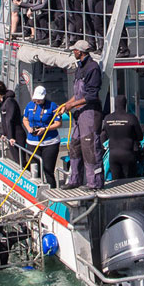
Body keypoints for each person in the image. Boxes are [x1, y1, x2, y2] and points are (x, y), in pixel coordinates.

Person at [55, 39, 104, 189]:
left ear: (80, 52)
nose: (73, 52)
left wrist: (72, 105)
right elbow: (78, 95)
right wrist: (65, 105)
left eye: (74, 50)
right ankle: (74, 180)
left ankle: (94, 183)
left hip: (90, 114)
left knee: (90, 149)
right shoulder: (80, 67)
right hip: (80, 114)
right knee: (74, 146)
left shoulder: (92, 68)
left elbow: (92, 96)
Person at [23, 85, 62, 188]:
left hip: (50, 142)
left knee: (48, 169)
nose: (37, 101)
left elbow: (58, 123)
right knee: (35, 170)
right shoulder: (30, 105)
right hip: (33, 142)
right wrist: (29, 128)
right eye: (36, 99)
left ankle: (52, 189)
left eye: (39, 100)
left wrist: (45, 129)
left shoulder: (52, 106)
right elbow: (25, 119)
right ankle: (38, 189)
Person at [101, 94, 144, 181]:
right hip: (128, 154)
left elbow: (104, 136)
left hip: (113, 155)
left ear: (115, 104)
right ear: (125, 104)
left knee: (116, 182)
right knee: (130, 182)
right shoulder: (131, 118)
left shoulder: (107, 118)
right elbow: (140, 137)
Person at [0, 81, 27, 164]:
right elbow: (4, 121)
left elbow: (10, 120)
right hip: (11, 134)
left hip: (16, 133)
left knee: (20, 159)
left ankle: (27, 170)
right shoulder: (2, 103)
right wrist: (5, 133)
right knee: (16, 159)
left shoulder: (10, 102)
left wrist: (11, 137)